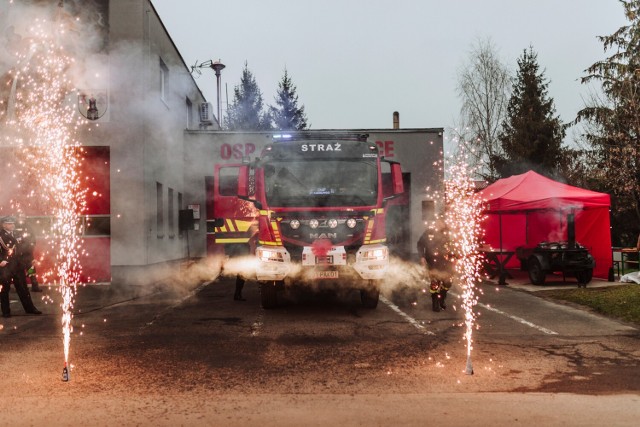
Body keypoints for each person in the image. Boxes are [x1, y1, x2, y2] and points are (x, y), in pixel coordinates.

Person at [0, 215, 42, 317]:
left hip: (19, 265)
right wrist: (0, 261)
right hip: (6, 266)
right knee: (4, 289)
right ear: (4, 225)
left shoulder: (18, 233)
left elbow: (25, 248)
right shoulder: (1, 235)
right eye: (10, 224)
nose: (12, 225)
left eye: (13, 223)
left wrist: (31, 259)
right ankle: (6, 312)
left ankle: (30, 308)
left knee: (23, 288)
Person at [417, 219, 455, 312]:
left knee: (447, 282)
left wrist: (455, 255)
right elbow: (420, 244)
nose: (439, 224)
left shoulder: (448, 233)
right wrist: (422, 257)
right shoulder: (429, 232)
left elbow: (454, 247)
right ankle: (435, 302)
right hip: (433, 261)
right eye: (437, 222)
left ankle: (442, 298)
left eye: (441, 222)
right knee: (435, 282)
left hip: (447, 262)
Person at [15, 214, 43, 292]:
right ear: (17, 218)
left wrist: (32, 246)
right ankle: (22, 288)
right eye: (20, 217)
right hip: (19, 255)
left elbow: (33, 238)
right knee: (20, 272)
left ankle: (34, 286)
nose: (22, 219)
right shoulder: (15, 227)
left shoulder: (28, 226)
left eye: (23, 217)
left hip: (28, 254)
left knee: (31, 269)